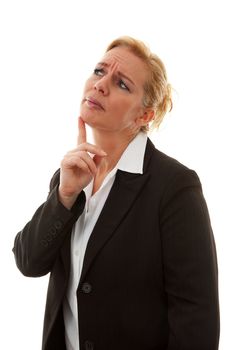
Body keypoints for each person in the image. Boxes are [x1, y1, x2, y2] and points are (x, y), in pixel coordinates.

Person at [13, 36, 220, 350]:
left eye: (122, 84)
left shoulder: (175, 187)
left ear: (144, 115)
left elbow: (197, 321)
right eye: (99, 71)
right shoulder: (71, 176)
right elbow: (29, 263)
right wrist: (65, 195)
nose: (100, 85)